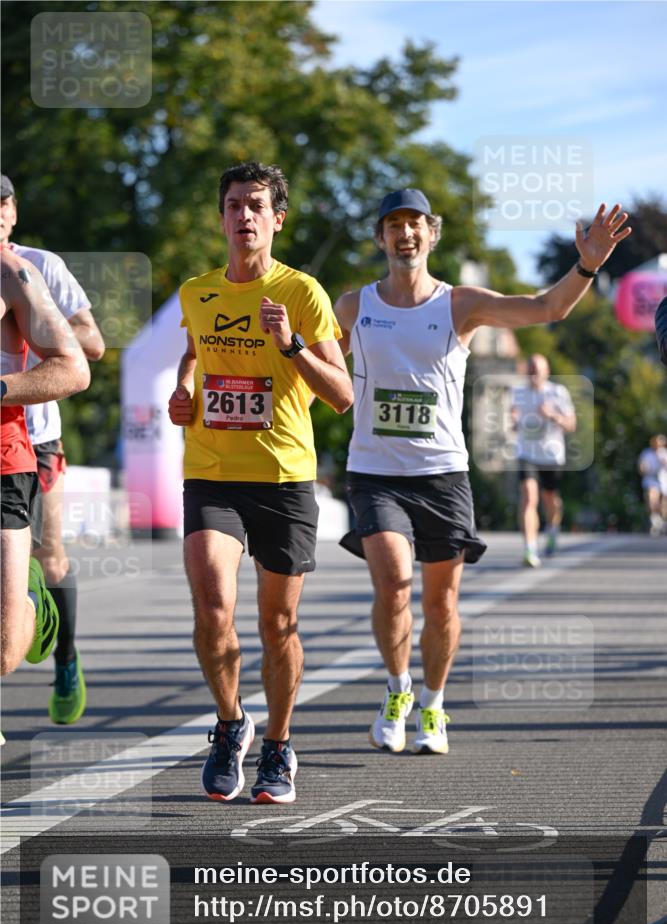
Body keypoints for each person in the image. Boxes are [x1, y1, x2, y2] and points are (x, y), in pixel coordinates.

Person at [335, 190, 630, 755]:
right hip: (375, 472)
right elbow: (318, 367)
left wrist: (587, 265)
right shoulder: (352, 307)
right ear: (380, 238)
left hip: (442, 474)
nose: (405, 234)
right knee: (393, 585)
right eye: (393, 225)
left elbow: (546, 308)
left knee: (441, 604)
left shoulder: (459, 304)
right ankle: (397, 690)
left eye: (415, 224)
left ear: (432, 233)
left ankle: (433, 703)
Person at [168, 161, 353, 804]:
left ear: (277, 219)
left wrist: (291, 343)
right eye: (233, 205)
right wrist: (184, 389)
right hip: (213, 472)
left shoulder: (303, 292)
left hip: (283, 477)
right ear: (221, 218)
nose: (243, 215)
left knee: (278, 624)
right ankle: (229, 725)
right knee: (212, 605)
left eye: (255, 205)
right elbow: (193, 350)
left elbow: (342, 395)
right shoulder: (197, 292)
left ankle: (278, 744)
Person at [1, 174, 105, 725]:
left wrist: (30, 310)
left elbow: (93, 344)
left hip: (35, 436)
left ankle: (64, 657)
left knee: (49, 554)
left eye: (2, 202)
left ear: (14, 211)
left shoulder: (39, 266)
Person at [1, 245, 90, 688]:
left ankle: (35, 603)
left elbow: (78, 364)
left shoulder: (21, 272)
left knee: (4, 650)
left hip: (13, 452)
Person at [510, 353, 576, 567]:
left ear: (547, 372)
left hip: (551, 454)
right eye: (531, 369)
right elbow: (513, 420)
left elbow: (571, 425)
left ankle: (553, 529)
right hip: (526, 453)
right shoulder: (517, 392)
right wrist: (513, 420)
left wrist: (552, 415)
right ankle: (530, 548)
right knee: (528, 497)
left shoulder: (557, 392)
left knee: (550, 499)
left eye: (537, 370)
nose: (534, 374)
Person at [638, 434, 667, 536]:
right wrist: (644, 468)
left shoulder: (664, 453)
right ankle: (655, 520)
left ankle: (662, 522)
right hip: (651, 479)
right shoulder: (647, 453)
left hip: (663, 480)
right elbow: (642, 467)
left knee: (664, 503)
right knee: (652, 499)